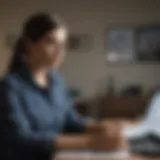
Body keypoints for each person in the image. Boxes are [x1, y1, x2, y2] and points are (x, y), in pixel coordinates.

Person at [0, 12, 123, 160]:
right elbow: (22, 140)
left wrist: (102, 127)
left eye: (63, 44)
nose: (60, 52)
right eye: (51, 42)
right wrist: (90, 142)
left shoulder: (57, 81)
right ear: (29, 44)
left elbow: (70, 120)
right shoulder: (9, 87)